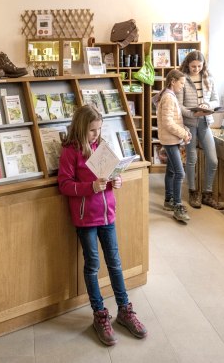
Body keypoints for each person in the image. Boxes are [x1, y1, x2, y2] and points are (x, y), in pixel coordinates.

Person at [57, 105, 147, 346]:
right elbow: (64, 184)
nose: (96, 134)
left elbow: (109, 175)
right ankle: (99, 314)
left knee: (115, 263)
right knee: (93, 264)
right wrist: (90, 187)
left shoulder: (102, 146)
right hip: (86, 218)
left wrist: (116, 180)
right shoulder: (70, 151)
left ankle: (125, 310)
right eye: (92, 130)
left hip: (108, 215)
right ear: (80, 128)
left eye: (99, 129)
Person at [177, 51, 224, 210]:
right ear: (187, 65)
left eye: (199, 66)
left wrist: (207, 106)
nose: (196, 69)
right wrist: (193, 113)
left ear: (203, 65)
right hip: (189, 124)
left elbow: (216, 100)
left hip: (205, 123)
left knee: (213, 160)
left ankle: (207, 193)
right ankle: (193, 191)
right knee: (192, 159)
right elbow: (179, 105)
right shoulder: (182, 79)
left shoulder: (209, 79)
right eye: (193, 66)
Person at [155, 69, 192, 223]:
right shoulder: (169, 98)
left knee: (171, 171)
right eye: (181, 83)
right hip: (170, 140)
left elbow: (174, 120)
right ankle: (177, 205)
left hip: (172, 139)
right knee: (180, 173)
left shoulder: (169, 95)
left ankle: (168, 200)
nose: (182, 86)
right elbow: (168, 123)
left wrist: (184, 131)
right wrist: (183, 133)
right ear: (173, 81)